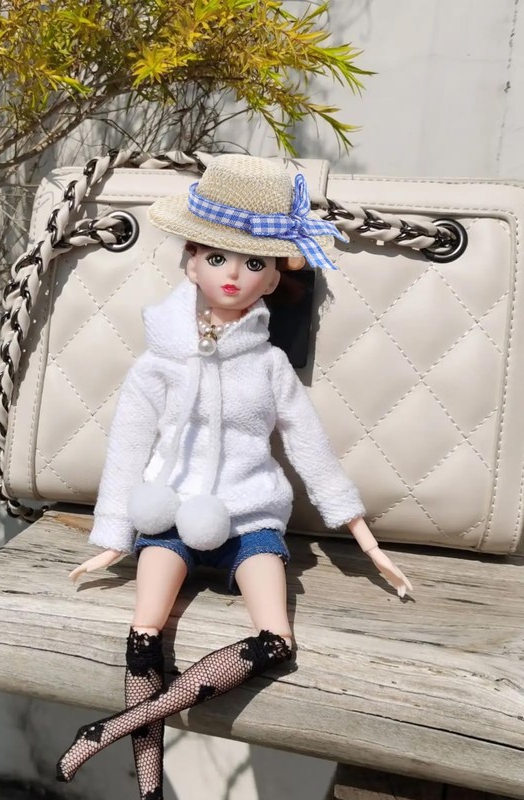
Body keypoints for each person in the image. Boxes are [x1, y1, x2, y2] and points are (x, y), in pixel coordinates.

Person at [55, 155, 412, 797]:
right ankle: (148, 788)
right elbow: (129, 447)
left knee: (275, 640)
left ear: (273, 277)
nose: (233, 275)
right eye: (217, 258)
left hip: (250, 520)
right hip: (169, 512)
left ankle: (108, 729)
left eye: (253, 263)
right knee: (144, 631)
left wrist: (361, 533)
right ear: (190, 262)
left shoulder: (269, 366)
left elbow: (309, 446)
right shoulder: (159, 362)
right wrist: (112, 535)